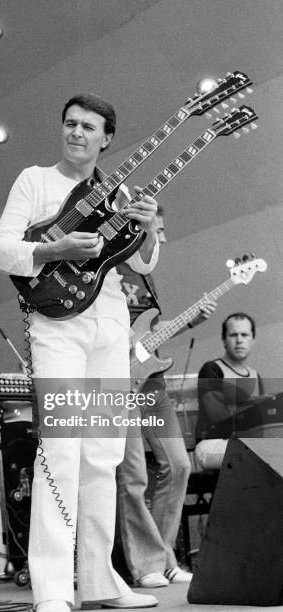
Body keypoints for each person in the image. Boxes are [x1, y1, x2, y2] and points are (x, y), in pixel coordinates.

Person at [0, 93, 161, 611]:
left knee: (103, 457)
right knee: (60, 453)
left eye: (89, 126)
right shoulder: (34, 180)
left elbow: (144, 266)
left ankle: (101, 581)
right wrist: (51, 250)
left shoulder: (119, 188)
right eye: (70, 123)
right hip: (56, 329)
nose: (77, 132)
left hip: (108, 327)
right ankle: (53, 591)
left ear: (107, 138)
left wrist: (150, 227)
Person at [115, 211, 217, 588]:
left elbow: (151, 332)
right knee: (133, 474)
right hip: (117, 380)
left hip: (153, 382)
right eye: (157, 231)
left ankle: (163, 556)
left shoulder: (146, 275)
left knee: (178, 465)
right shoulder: (109, 268)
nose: (163, 239)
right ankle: (145, 566)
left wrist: (189, 323)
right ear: (138, 231)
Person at [195, 312, 263, 469]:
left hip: (248, 442)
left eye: (245, 335)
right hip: (212, 445)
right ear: (224, 340)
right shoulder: (212, 369)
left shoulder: (255, 375)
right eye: (233, 335)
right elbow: (218, 418)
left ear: (253, 340)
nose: (239, 340)